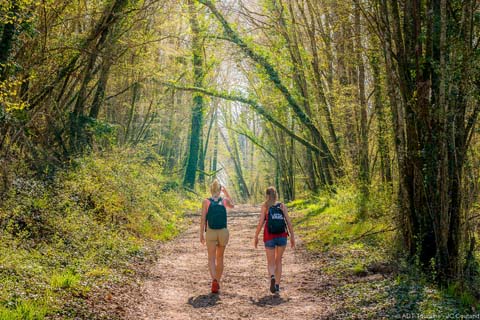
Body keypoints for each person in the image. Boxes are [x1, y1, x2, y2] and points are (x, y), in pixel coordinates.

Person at [254, 186, 295, 294]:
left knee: (271, 262)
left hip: (269, 236)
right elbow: (288, 221)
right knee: (279, 260)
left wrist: (256, 236)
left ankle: (272, 276)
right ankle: (277, 285)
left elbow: (261, 223)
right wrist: (292, 237)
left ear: (267, 195)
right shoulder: (281, 206)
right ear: (276, 195)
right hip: (282, 236)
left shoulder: (265, 206)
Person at [200, 179, 234, 294]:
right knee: (220, 258)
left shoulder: (206, 202)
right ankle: (217, 282)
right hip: (223, 232)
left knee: (211, 258)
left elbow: (203, 219)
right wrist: (227, 192)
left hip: (211, 232)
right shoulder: (224, 200)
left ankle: (214, 280)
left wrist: (201, 234)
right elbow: (233, 205)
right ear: (220, 190)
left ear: (210, 190)